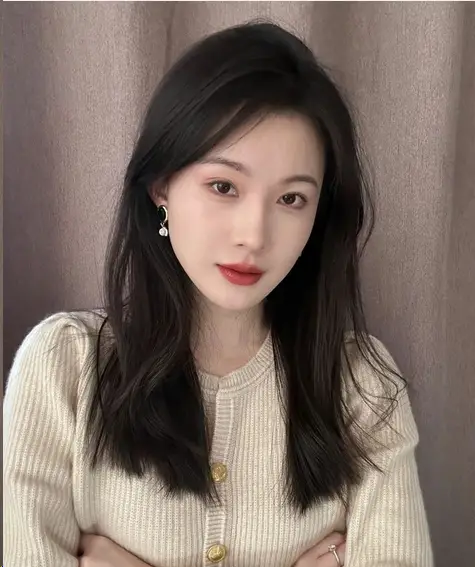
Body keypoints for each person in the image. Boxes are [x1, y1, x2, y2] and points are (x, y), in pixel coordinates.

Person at [3, 20, 434, 567]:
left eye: (292, 199)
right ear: (161, 186)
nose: (254, 235)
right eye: (223, 186)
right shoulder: (63, 367)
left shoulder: (361, 387)